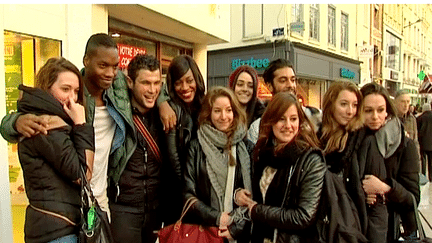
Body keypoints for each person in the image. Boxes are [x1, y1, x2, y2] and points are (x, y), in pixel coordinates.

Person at [1, 33, 136, 217]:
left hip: (102, 199)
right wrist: (15, 122)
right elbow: (39, 111)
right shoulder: (69, 100)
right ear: (86, 61)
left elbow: (149, 86)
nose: (110, 73)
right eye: (103, 65)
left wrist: (163, 102)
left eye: (115, 67)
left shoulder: (118, 90)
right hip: (73, 201)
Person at [17, 57, 94, 243]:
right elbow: (83, 173)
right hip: (57, 230)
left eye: (76, 91)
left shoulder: (53, 120)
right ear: (47, 88)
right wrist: (81, 124)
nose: (72, 98)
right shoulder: (46, 125)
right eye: (65, 89)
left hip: (56, 225)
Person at [235, 92, 326, 243]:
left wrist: (258, 211)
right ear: (271, 121)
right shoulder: (262, 152)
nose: (288, 126)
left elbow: (303, 216)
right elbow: (256, 196)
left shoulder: (310, 160)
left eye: (293, 119)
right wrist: (239, 195)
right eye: (281, 119)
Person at [109, 54, 168, 243]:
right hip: (123, 210)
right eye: (145, 83)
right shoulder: (117, 111)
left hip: (154, 210)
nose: (153, 90)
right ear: (130, 82)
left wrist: (163, 102)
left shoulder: (163, 115)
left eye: (156, 83)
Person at [183, 86, 253, 242]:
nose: (224, 116)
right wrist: (217, 218)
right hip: (205, 232)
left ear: (234, 112)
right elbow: (188, 194)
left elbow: (255, 198)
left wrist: (235, 228)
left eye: (228, 110)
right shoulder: (196, 147)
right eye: (217, 111)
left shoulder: (247, 147)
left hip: (238, 233)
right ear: (208, 113)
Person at [360, 83, 420, 242]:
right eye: (368, 110)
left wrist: (385, 188)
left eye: (380, 110)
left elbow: (412, 199)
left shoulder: (405, 146)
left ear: (387, 111)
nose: (375, 116)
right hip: (355, 228)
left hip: (390, 231)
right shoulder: (352, 141)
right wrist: (361, 192)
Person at [162, 54, 206, 224]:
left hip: (203, 194)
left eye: (189, 80)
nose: (185, 87)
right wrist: (189, 193)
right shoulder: (172, 110)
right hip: (181, 197)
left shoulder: (205, 106)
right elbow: (173, 160)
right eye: (178, 82)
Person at [247, 58, 322, 143]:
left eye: (293, 80)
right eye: (283, 81)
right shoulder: (257, 128)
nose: (290, 85)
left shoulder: (315, 116)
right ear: (269, 86)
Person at [417, 103, 432, 181]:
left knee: (423, 159)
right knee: (431, 161)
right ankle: (431, 177)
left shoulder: (420, 118)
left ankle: (423, 175)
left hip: (422, 142)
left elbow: (418, 130)